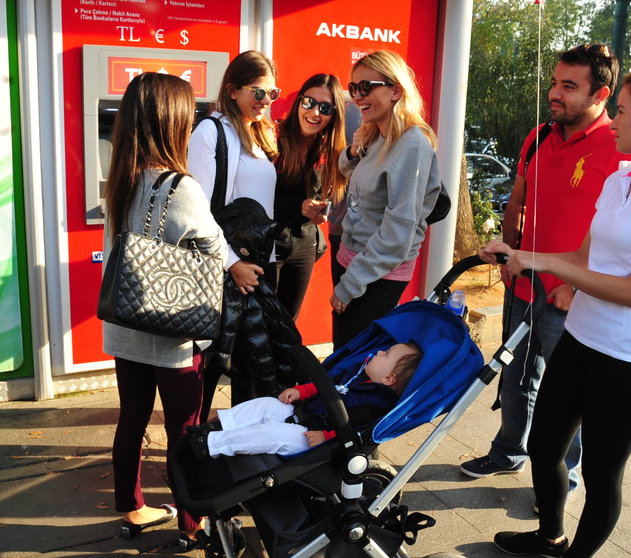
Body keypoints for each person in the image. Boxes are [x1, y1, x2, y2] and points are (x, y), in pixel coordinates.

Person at [487, 63, 631, 558]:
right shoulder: (620, 178)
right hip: (580, 337)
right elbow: (583, 258)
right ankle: (550, 537)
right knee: (545, 446)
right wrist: (519, 254)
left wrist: (542, 262)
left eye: (622, 111)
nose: (613, 120)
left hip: (629, 358)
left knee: (601, 474)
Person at [460, 45, 631, 493]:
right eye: (555, 83)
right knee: (515, 377)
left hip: (573, 299)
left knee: (568, 395)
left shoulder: (620, 148)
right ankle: (509, 452)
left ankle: (565, 476)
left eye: (569, 86)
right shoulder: (538, 135)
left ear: (601, 94)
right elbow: (517, 202)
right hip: (524, 285)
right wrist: (509, 254)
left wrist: (577, 289)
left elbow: (622, 236)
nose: (554, 93)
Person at [101, 73, 228, 545]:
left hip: (126, 324)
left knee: (131, 418)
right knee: (184, 428)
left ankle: (133, 508)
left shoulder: (121, 180)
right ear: (171, 120)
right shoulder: (180, 187)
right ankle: (191, 525)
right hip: (172, 330)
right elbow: (214, 247)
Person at [188, 50, 281, 415]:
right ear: (232, 90)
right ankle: (191, 434)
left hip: (259, 264)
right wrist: (232, 264)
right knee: (216, 359)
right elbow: (200, 208)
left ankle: (241, 434)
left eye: (272, 93)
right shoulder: (211, 132)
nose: (266, 100)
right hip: (230, 268)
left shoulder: (257, 133)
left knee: (251, 363)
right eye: (258, 92)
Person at [331, 50, 443, 349]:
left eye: (366, 87)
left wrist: (350, 284)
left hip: (376, 274)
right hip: (352, 259)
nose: (358, 96)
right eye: (354, 88)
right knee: (343, 352)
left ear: (395, 91)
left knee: (355, 359)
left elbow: (397, 235)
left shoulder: (411, 143)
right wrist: (355, 149)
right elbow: (349, 172)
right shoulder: (376, 133)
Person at [190, 343, 421, 458]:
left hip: (315, 439)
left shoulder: (376, 405)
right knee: (268, 404)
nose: (379, 352)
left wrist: (326, 437)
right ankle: (219, 426)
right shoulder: (358, 372)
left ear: (389, 378)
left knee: (272, 434)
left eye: (386, 354)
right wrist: (301, 391)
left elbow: (354, 429)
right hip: (302, 413)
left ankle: (214, 444)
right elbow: (325, 384)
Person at [267, 73, 347, 319]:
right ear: (299, 101)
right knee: (263, 321)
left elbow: (329, 196)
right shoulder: (274, 138)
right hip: (269, 242)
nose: (314, 113)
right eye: (309, 102)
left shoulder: (331, 150)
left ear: (334, 114)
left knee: (288, 322)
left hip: (305, 244)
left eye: (325, 108)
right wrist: (298, 206)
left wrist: (319, 211)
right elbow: (254, 195)